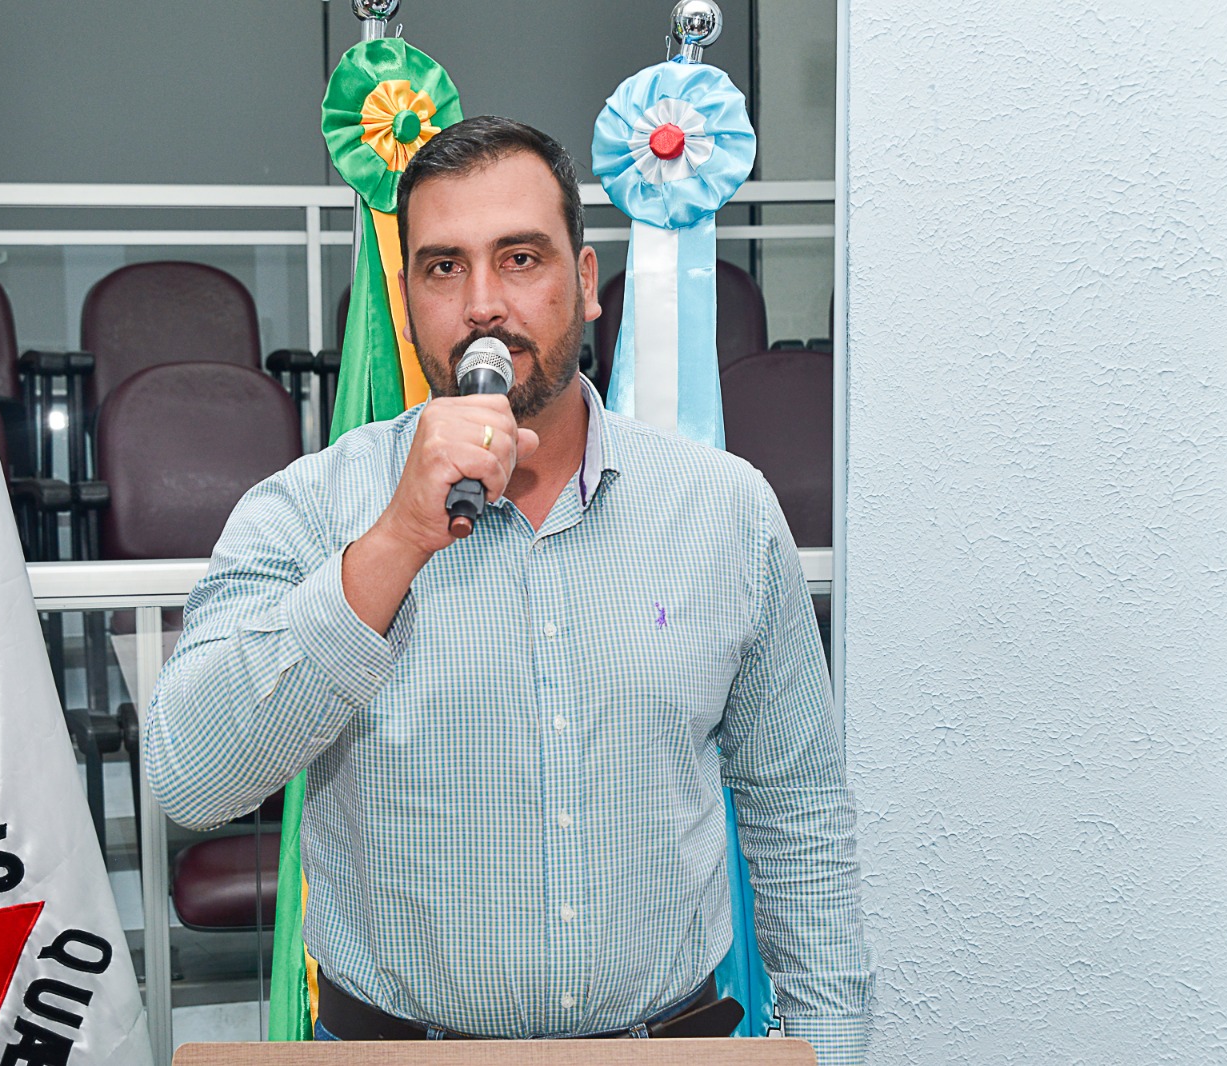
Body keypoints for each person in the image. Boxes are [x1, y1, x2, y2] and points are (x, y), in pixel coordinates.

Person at [144, 115, 870, 1058]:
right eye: (444, 267)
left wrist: (831, 1046)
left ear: (587, 283)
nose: (483, 305)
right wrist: (396, 541)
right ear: (407, 300)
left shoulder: (724, 510)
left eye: (520, 258)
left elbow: (799, 809)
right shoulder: (309, 507)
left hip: (665, 1041)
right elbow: (191, 777)